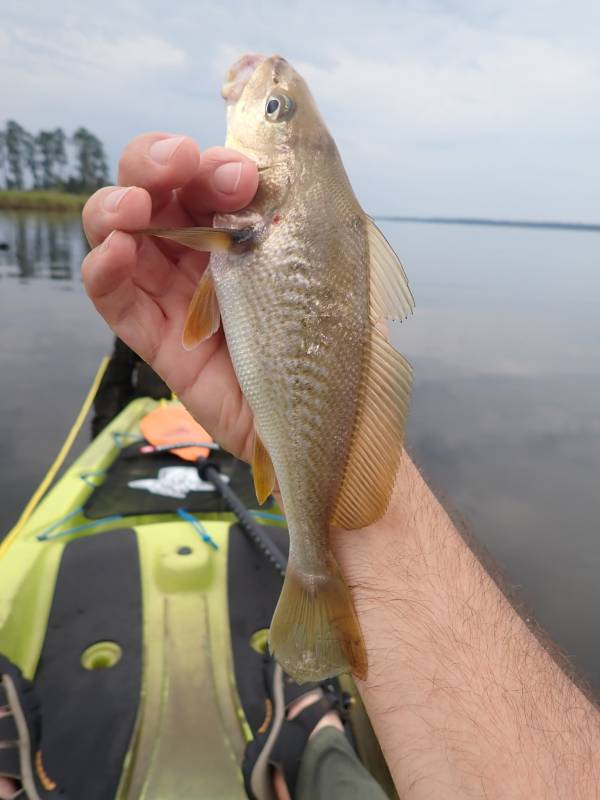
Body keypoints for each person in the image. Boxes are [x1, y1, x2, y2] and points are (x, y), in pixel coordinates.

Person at [3, 134, 600, 799]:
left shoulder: (259, 219)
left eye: (275, 111)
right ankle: (313, 735)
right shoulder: (253, 223)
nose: (262, 104)